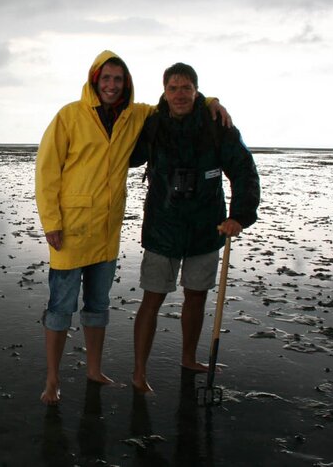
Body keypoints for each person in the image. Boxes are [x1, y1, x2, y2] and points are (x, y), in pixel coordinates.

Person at [35, 51, 230, 405]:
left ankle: (94, 371)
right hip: (70, 229)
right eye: (106, 78)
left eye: (118, 79)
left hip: (106, 230)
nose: (112, 85)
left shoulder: (135, 115)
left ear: (126, 84)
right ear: (95, 80)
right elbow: (46, 171)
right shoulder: (69, 115)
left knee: (98, 305)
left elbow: (175, 103)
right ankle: (52, 380)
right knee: (60, 307)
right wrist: (51, 222)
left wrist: (210, 101)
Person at [129, 62, 260, 393]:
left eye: (186, 88)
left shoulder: (217, 124)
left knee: (197, 296)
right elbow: (124, 156)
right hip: (162, 226)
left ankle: (188, 358)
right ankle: (139, 371)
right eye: (173, 88)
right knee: (152, 298)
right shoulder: (152, 125)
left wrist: (240, 216)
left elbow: (243, 169)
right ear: (164, 92)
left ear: (196, 91)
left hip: (206, 226)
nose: (179, 95)